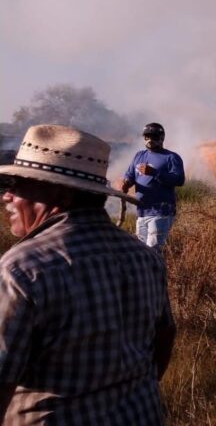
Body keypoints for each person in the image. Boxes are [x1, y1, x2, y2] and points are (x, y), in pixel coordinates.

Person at [0, 124, 176, 424]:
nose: (7, 196)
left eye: (18, 183)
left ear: (59, 192)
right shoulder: (144, 257)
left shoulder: (22, 269)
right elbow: (163, 340)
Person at [121, 123, 185, 251]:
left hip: (161, 212)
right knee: (141, 251)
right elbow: (130, 175)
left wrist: (154, 173)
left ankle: (157, 271)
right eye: (147, 136)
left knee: (152, 251)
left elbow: (179, 180)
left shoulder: (171, 157)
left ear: (162, 138)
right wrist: (127, 182)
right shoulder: (139, 156)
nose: (150, 140)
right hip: (142, 212)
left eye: (154, 137)